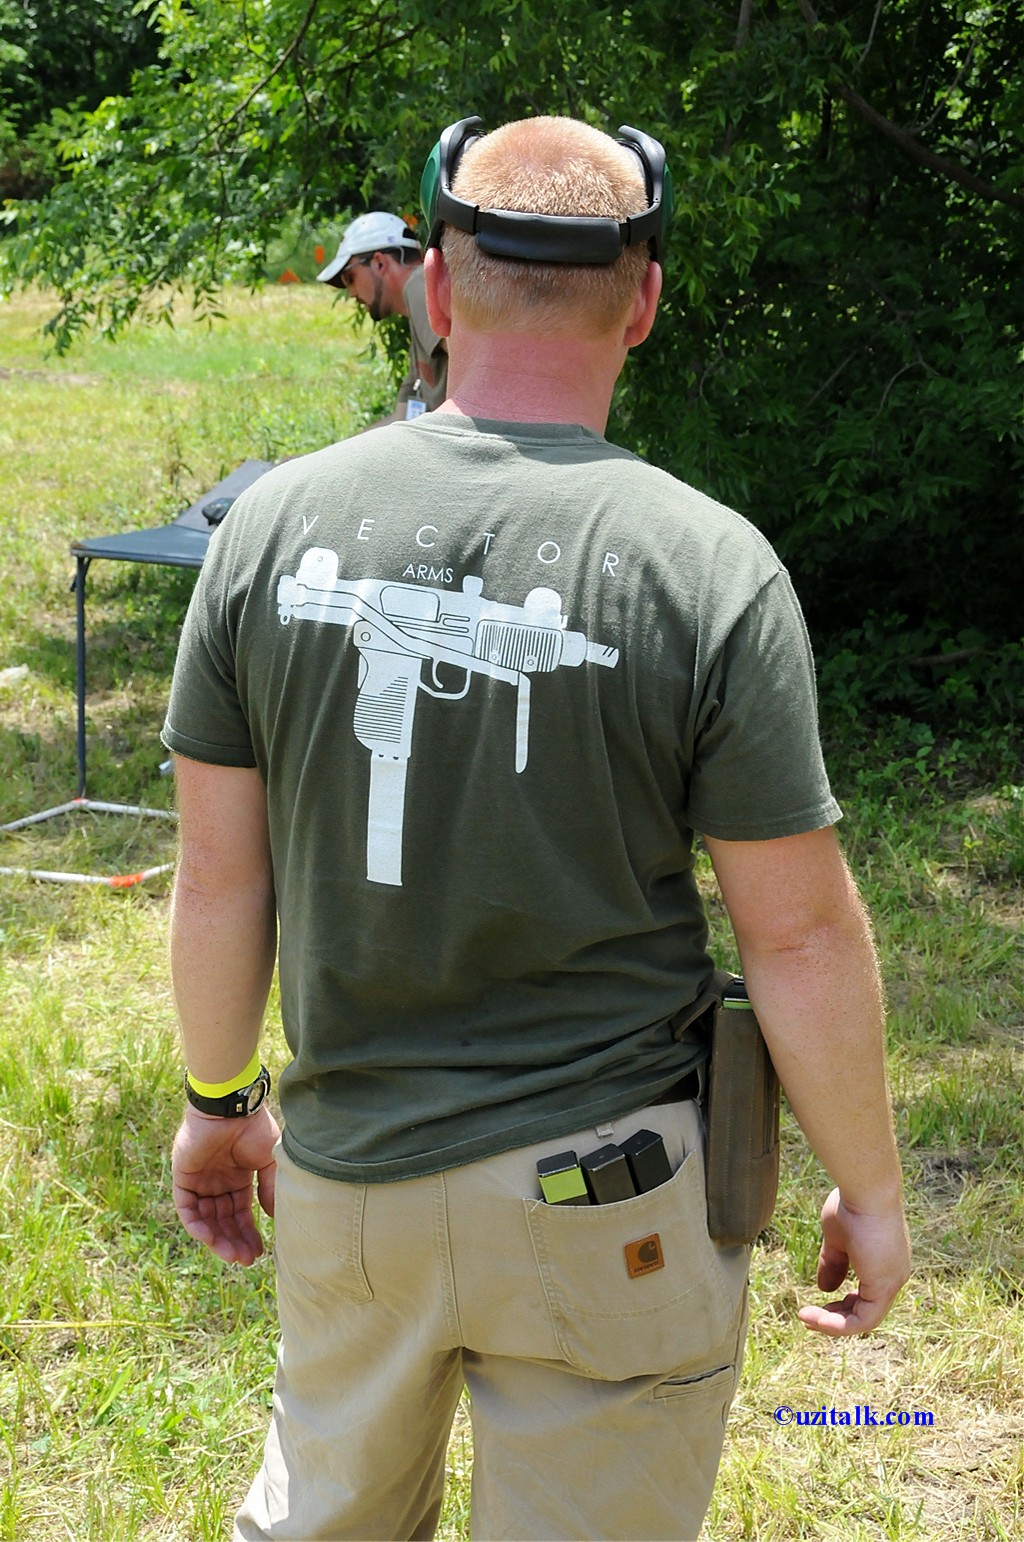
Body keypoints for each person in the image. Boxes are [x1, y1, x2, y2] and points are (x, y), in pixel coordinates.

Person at [164, 114, 911, 1542]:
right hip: (608, 1192)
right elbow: (801, 934)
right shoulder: (709, 565)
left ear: (438, 290)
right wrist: (868, 1190)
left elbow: (216, 876)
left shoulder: (266, 529)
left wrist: (217, 1101)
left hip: (350, 1180)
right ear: (644, 300)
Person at [317, 209, 448, 420]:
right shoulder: (417, 308)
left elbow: (477, 361)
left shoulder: (418, 286)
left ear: (379, 263)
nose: (351, 293)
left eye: (350, 278)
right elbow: (402, 419)